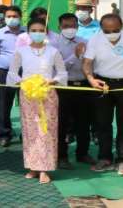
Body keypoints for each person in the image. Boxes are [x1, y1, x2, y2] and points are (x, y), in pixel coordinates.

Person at [83, 14, 123, 176]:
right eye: (107, 31)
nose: (112, 33)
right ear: (101, 28)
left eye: (115, 30)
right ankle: (105, 158)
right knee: (102, 123)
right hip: (103, 84)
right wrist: (91, 79)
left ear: (122, 26)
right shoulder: (95, 40)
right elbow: (87, 63)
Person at [7, 19, 67, 184]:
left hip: (48, 95)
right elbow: (12, 73)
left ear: (46, 32)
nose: (37, 33)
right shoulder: (21, 51)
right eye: (34, 30)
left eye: (41, 30)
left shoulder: (53, 52)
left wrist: (52, 81)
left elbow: (62, 73)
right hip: (28, 95)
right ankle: (32, 166)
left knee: (46, 131)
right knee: (30, 131)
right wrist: (22, 82)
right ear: (28, 32)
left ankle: (45, 168)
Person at [51, 12, 95, 168]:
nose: (70, 29)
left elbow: (92, 63)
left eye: (73, 26)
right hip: (63, 86)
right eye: (66, 26)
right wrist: (75, 57)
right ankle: (62, 156)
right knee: (62, 123)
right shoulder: (54, 44)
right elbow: (56, 68)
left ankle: (82, 153)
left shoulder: (85, 42)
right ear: (59, 27)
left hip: (83, 85)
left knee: (84, 122)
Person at [0, 5, 25, 147]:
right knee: (3, 104)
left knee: (27, 103)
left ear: (20, 17)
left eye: (15, 16)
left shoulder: (28, 32)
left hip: (26, 72)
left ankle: (27, 133)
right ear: (4, 18)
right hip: (5, 72)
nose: (12, 19)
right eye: (9, 16)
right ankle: (4, 134)